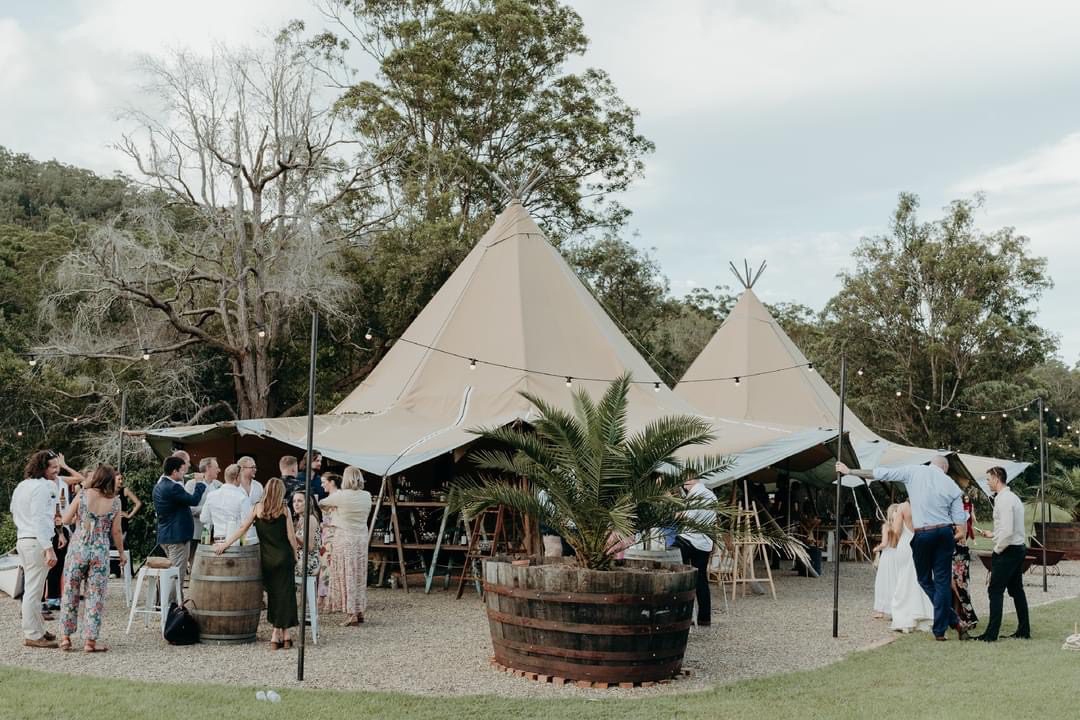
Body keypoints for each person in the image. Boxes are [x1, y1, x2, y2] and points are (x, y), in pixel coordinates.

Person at [838, 457, 969, 641]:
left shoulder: (914, 470)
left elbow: (881, 473)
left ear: (931, 464)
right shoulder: (952, 486)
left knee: (924, 579)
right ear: (945, 470)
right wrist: (947, 537)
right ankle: (943, 629)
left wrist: (850, 471)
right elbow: (961, 528)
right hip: (945, 533)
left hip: (924, 533)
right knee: (942, 582)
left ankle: (953, 622)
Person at [215, 477, 299, 649]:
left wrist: (224, 544)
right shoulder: (284, 510)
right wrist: (296, 556)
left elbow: (242, 529)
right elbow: (291, 537)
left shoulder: (257, 509)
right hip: (284, 557)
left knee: (274, 595)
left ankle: (278, 635)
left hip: (267, 558)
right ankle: (284, 634)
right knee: (286, 595)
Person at [58, 465, 125, 653]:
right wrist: (121, 553)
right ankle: (90, 642)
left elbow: (65, 519)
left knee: (70, 590)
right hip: (100, 550)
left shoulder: (82, 495)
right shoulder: (115, 502)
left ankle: (65, 638)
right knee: (95, 595)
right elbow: (117, 531)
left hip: (79, 547)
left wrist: (78, 519)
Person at [10, 450, 61, 648]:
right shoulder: (41, 488)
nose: (57, 470)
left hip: (24, 538)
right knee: (33, 590)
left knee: (35, 588)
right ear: (43, 467)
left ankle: (38, 629)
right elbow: (40, 518)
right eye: (53, 467)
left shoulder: (22, 486)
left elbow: (14, 510)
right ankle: (32, 634)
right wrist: (49, 548)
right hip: (36, 541)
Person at [974, 467, 1030, 642]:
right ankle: (1023, 630)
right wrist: (993, 534)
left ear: (997, 478)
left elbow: (1007, 530)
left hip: (1008, 550)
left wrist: (997, 549)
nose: (987, 482)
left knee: (995, 590)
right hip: (1017, 547)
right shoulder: (1012, 498)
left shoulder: (1004, 500)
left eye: (988, 479)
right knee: (1016, 590)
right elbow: (1007, 528)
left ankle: (991, 635)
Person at [319, 468, 371, 626]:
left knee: (346, 574)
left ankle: (351, 613)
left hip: (344, 537)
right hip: (361, 538)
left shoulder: (340, 496)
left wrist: (333, 510)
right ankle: (359, 609)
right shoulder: (366, 495)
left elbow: (321, 503)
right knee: (359, 574)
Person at [152, 456, 206, 584]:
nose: (184, 473)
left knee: (172, 571)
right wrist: (199, 484)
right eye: (182, 470)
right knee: (176, 573)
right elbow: (193, 500)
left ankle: (170, 601)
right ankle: (172, 603)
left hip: (166, 534)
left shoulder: (159, 486)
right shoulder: (173, 487)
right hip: (177, 536)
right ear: (174, 471)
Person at [44, 454, 84, 615]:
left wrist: (65, 465)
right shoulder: (44, 484)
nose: (56, 469)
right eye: (53, 467)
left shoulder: (60, 480)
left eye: (57, 466)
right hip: (52, 525)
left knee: (60, 563)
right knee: (50, 564)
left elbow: (80, 478)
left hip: (64, 525)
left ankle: (54, 597)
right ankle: (47, 598)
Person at [675, 475, 717, 627]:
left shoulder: (696, 494)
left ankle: (683, 615)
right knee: (701, 579)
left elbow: (687, 517)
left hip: (689, 540)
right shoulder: (711, 495)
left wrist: (674, 514)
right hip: (704, 543)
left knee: (680, 575)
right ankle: (704, 618)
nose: (684, 484)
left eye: (685, 480)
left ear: (691, 479)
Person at [889, 501, 935, 633]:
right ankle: (924, 616)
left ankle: (906, 619)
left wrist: (893, 525)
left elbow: (897, 530)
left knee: (904, 579)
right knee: (920, 579)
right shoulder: (925, 505)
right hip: (921, 544)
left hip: (906, 544)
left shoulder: (903, 507)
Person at [952, 491, 979, 633]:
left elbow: (961, 534)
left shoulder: (960, 514)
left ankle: (970, 616)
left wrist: (946, 540)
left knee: (960, 585)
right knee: (953, 586)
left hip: (959, 553)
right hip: (952, 552)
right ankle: (957, 616)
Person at [199, 463, 247, 541]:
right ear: (237, 478)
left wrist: (217, 520)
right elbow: (246, 521)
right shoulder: (242, 497)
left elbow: (204, 519)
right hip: (235, 541)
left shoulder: (211, 495)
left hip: (217, 539)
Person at [187, 457, 221, 563]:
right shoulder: (191, 484)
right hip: (196, 532)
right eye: (216, 467)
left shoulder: (219, 485)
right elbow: (189, 508)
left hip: (215, 533)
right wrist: (208, 509)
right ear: (208, 468)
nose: (219, 470)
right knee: (195, 563)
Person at [871, 503, 901, 619]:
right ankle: (895, 609)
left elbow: (884, 544)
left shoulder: (886, 526)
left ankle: (881, 610)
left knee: (883, 582)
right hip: (897, 554)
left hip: (888, 556)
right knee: (895, 581)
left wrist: (876, 549)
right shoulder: (901, 526)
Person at [317, 472, 341, 605]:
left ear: (331, 482)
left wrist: (325, 524)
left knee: (327, 565)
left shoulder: (336, 497)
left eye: (323, 482)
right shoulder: (333, 496)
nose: (321, 485)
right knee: (326, 565)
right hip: (326, 533)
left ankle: (325, 598)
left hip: (332, 534)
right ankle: (327, 597)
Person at [291, 492, 321, 579]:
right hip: (300, 559)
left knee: (281, 569)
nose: (296, 504)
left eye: (299, 501)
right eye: (294, 501)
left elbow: (310, 547)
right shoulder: (300, 520)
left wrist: (293, 535)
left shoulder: (310, 519)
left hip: (309, 561)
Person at [237, 456, 263, 546]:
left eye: (255, 467)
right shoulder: (234, 486)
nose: (255, 469)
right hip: (237, 531)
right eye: (252, 467)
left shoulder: (258, 486)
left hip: (255, 532)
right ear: (242, 469)